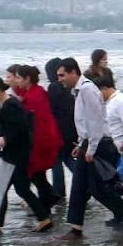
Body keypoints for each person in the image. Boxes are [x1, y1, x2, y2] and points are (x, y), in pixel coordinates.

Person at [56, 58, 123, 240]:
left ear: (74, 72)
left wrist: (90, 149)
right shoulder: (80, 91)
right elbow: (85, 121)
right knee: (79, 187)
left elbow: (96, 121)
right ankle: (76, 228)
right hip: (90, 142)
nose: (60, 79)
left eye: (62, 75)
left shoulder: (87, 90)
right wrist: (81, 143)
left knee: (99, 189)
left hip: (99, 144)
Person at [0, 75, 53, 235]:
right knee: (19, 189)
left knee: (6, 190)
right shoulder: (3, 105)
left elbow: (20, 129)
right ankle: (43, 218)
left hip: (16, 157)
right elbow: (5, 129)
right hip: (12, 156)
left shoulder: (11, 105)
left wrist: (5, 138)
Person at [16, 65, 64, 212]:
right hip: (45, 138)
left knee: (37, 173)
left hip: (41, 141)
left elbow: (38, 123)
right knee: (39, 176)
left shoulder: (33, 97)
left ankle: (47, 204)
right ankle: (49, 201)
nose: (17, 81)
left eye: (18, 77)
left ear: (27, 79)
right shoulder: (37, 92)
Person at [96, 67, 123, 211]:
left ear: (104, 89)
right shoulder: (108, 102)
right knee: (118, 181)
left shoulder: (120, 100)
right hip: (114, 147)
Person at [47, 57, 77, 201]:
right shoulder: (68, 89)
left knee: (57, 162)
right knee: (68, 158)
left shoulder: (53, 88)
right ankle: (85, 183)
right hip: (70, 129)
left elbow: (51, 110)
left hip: (58, 131)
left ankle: (59, 192)